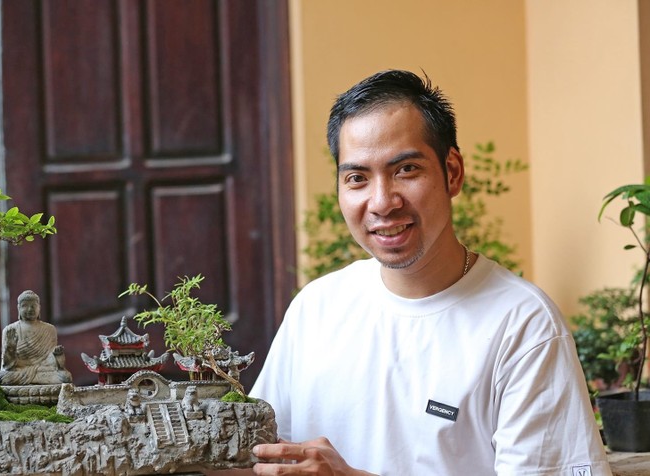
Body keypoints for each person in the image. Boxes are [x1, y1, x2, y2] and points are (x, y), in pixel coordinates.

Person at [247, 70, 611, 475]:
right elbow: (256, 456)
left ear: (452, 172)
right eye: (357, 178)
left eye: (405, 170)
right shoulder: (316, 308)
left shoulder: (523, 326)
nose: (382, 202)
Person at [0, 290, 73, 386]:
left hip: (43, 371)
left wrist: (58, 357)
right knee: (3, 377)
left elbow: (51, 362)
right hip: (19, 371)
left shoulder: (49, 329)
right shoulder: (10, 330)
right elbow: (7, 366)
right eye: (25, 305)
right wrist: (10, 348)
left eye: (33, 305)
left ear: (39, 308)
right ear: (18, 308)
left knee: (65, 377)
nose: (30, 309)